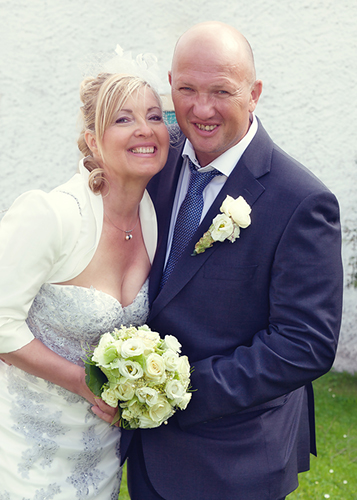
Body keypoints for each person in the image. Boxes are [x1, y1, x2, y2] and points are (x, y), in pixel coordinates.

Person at [121, 22, 344, 500]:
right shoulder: (152, 161)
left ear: (254, 93)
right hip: (146, 453)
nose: (201, 109)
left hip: (235, 460)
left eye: (221, 91)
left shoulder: (301, 201)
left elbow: (303, 344)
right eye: (186, 90)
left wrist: (171, 392)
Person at [0, 68, 169, 499]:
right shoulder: (51, 215)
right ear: (93, 141)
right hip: (24, 450)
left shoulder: (154, 218)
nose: (145, 130)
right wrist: (79, 379)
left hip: (101, 452)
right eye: (123, 119)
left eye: (154, 116)